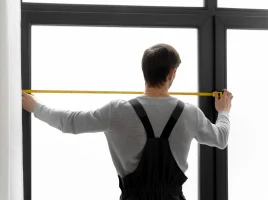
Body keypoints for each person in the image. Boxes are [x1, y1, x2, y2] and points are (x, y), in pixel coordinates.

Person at [22, 43, 233, 200]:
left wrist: (36, 107)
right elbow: (221, 138)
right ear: (171, 73)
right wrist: (223, 111)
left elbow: (69, 123)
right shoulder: (189, 113)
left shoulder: (118, 111)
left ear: (144, 71)